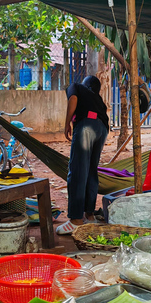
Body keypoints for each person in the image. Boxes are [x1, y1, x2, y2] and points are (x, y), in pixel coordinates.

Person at [56, 75, 110, 235]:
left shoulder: (77, 86)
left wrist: (66, 123)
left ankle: (75, 220)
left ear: (86, 84)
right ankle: (89, 214)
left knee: (78, 169)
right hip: (102, 130)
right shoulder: (99, 100)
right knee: (91, 171)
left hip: (86, 127)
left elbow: (72, 98)